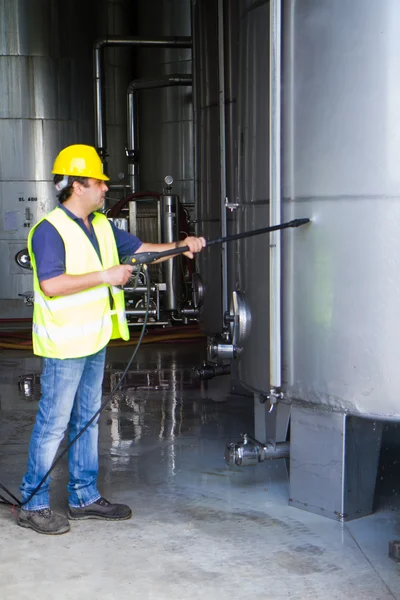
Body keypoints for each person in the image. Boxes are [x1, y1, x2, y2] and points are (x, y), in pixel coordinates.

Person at [18, 144, 206, 535]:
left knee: (87, 421)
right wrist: (106, 276)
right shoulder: (50, 231)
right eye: (99, 182)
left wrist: (180, 248)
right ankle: (32, 504)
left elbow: (140, 253)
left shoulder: (101, 226)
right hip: (65, 345)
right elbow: (52, 284)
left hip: (94, 341)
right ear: (77, 186)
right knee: (54, 423)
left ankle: (83, 497)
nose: (106, 189)